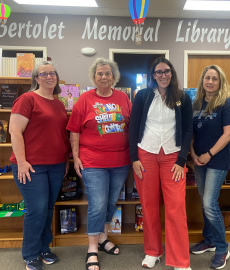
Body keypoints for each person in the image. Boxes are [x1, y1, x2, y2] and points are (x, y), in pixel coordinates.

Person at [66, 58, 131, 270]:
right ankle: (92, 248)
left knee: (111, 202)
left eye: (108, 73)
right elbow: (74, 130)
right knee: (97, 204)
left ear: (114, 77)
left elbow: (132, 126)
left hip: (120, 161)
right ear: (94, 77)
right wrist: (75, 157)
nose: (104, 77)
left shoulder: (124, 98)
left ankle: (103, 238)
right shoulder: (84, 99)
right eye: (100, 73)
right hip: (92, 162)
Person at [129, 57, 193, 270]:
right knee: (148, 206)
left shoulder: (182, 97)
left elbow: (187, 131)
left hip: (173, 158)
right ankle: (153, 251)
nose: (163, 75)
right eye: (158, 72)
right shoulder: (143, 96)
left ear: (172, 73)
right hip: (145, 155)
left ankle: (180, 261)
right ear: (153, 75)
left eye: (166, 71)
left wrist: (182, 160)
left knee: (176, 208)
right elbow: (133, 127)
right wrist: (134, 158)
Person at [9, 61, 70, 270]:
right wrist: (22, 162)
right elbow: (15, 132)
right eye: (43, 74)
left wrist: (66, 159)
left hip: (56, 165)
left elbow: (61, 134)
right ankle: (30, 254)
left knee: (47, 208)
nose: (49, 77)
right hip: (30, 166)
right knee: (36, 210)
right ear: (36, 79)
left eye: (52, 73)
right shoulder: (27, 99)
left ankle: (44, 248)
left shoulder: (59, 103)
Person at [189, 65, 230, 269]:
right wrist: (193, 154)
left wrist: (209, 155)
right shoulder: (196, 103)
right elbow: (191, 132)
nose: (210, 82)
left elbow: (228, 135)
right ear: (202, 81)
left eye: (214, 79)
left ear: (221, 82)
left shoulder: (226, 104)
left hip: (216, 161)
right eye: (207, 78)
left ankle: (221, 248)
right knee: (205, 202)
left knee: (210, 203)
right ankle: (208, 240)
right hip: (199, 160)